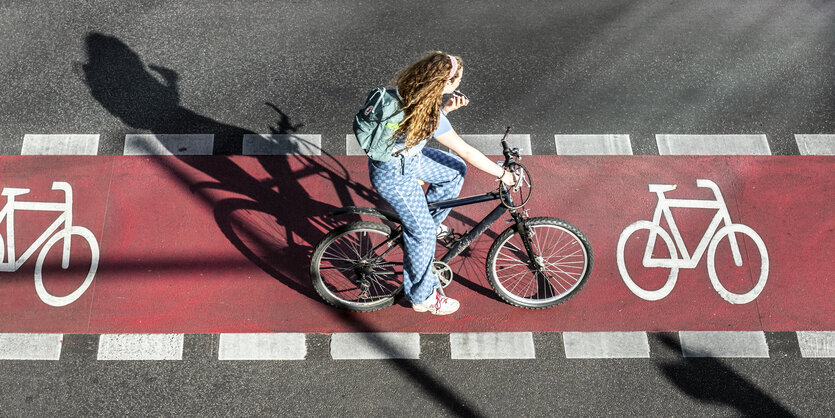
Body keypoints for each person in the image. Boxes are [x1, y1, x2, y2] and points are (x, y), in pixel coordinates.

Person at [367, 51, 516, 315]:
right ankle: (423, 297)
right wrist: (503, 174)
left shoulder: (411, 91)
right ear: (447, 84)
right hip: (395, 175)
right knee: (421, 234)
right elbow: (467, 152)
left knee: (454, 171)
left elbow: (419, 127)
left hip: (404, 159)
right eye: (457, 80)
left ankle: (429, 223)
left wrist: (445, 109)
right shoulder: (430, 116)